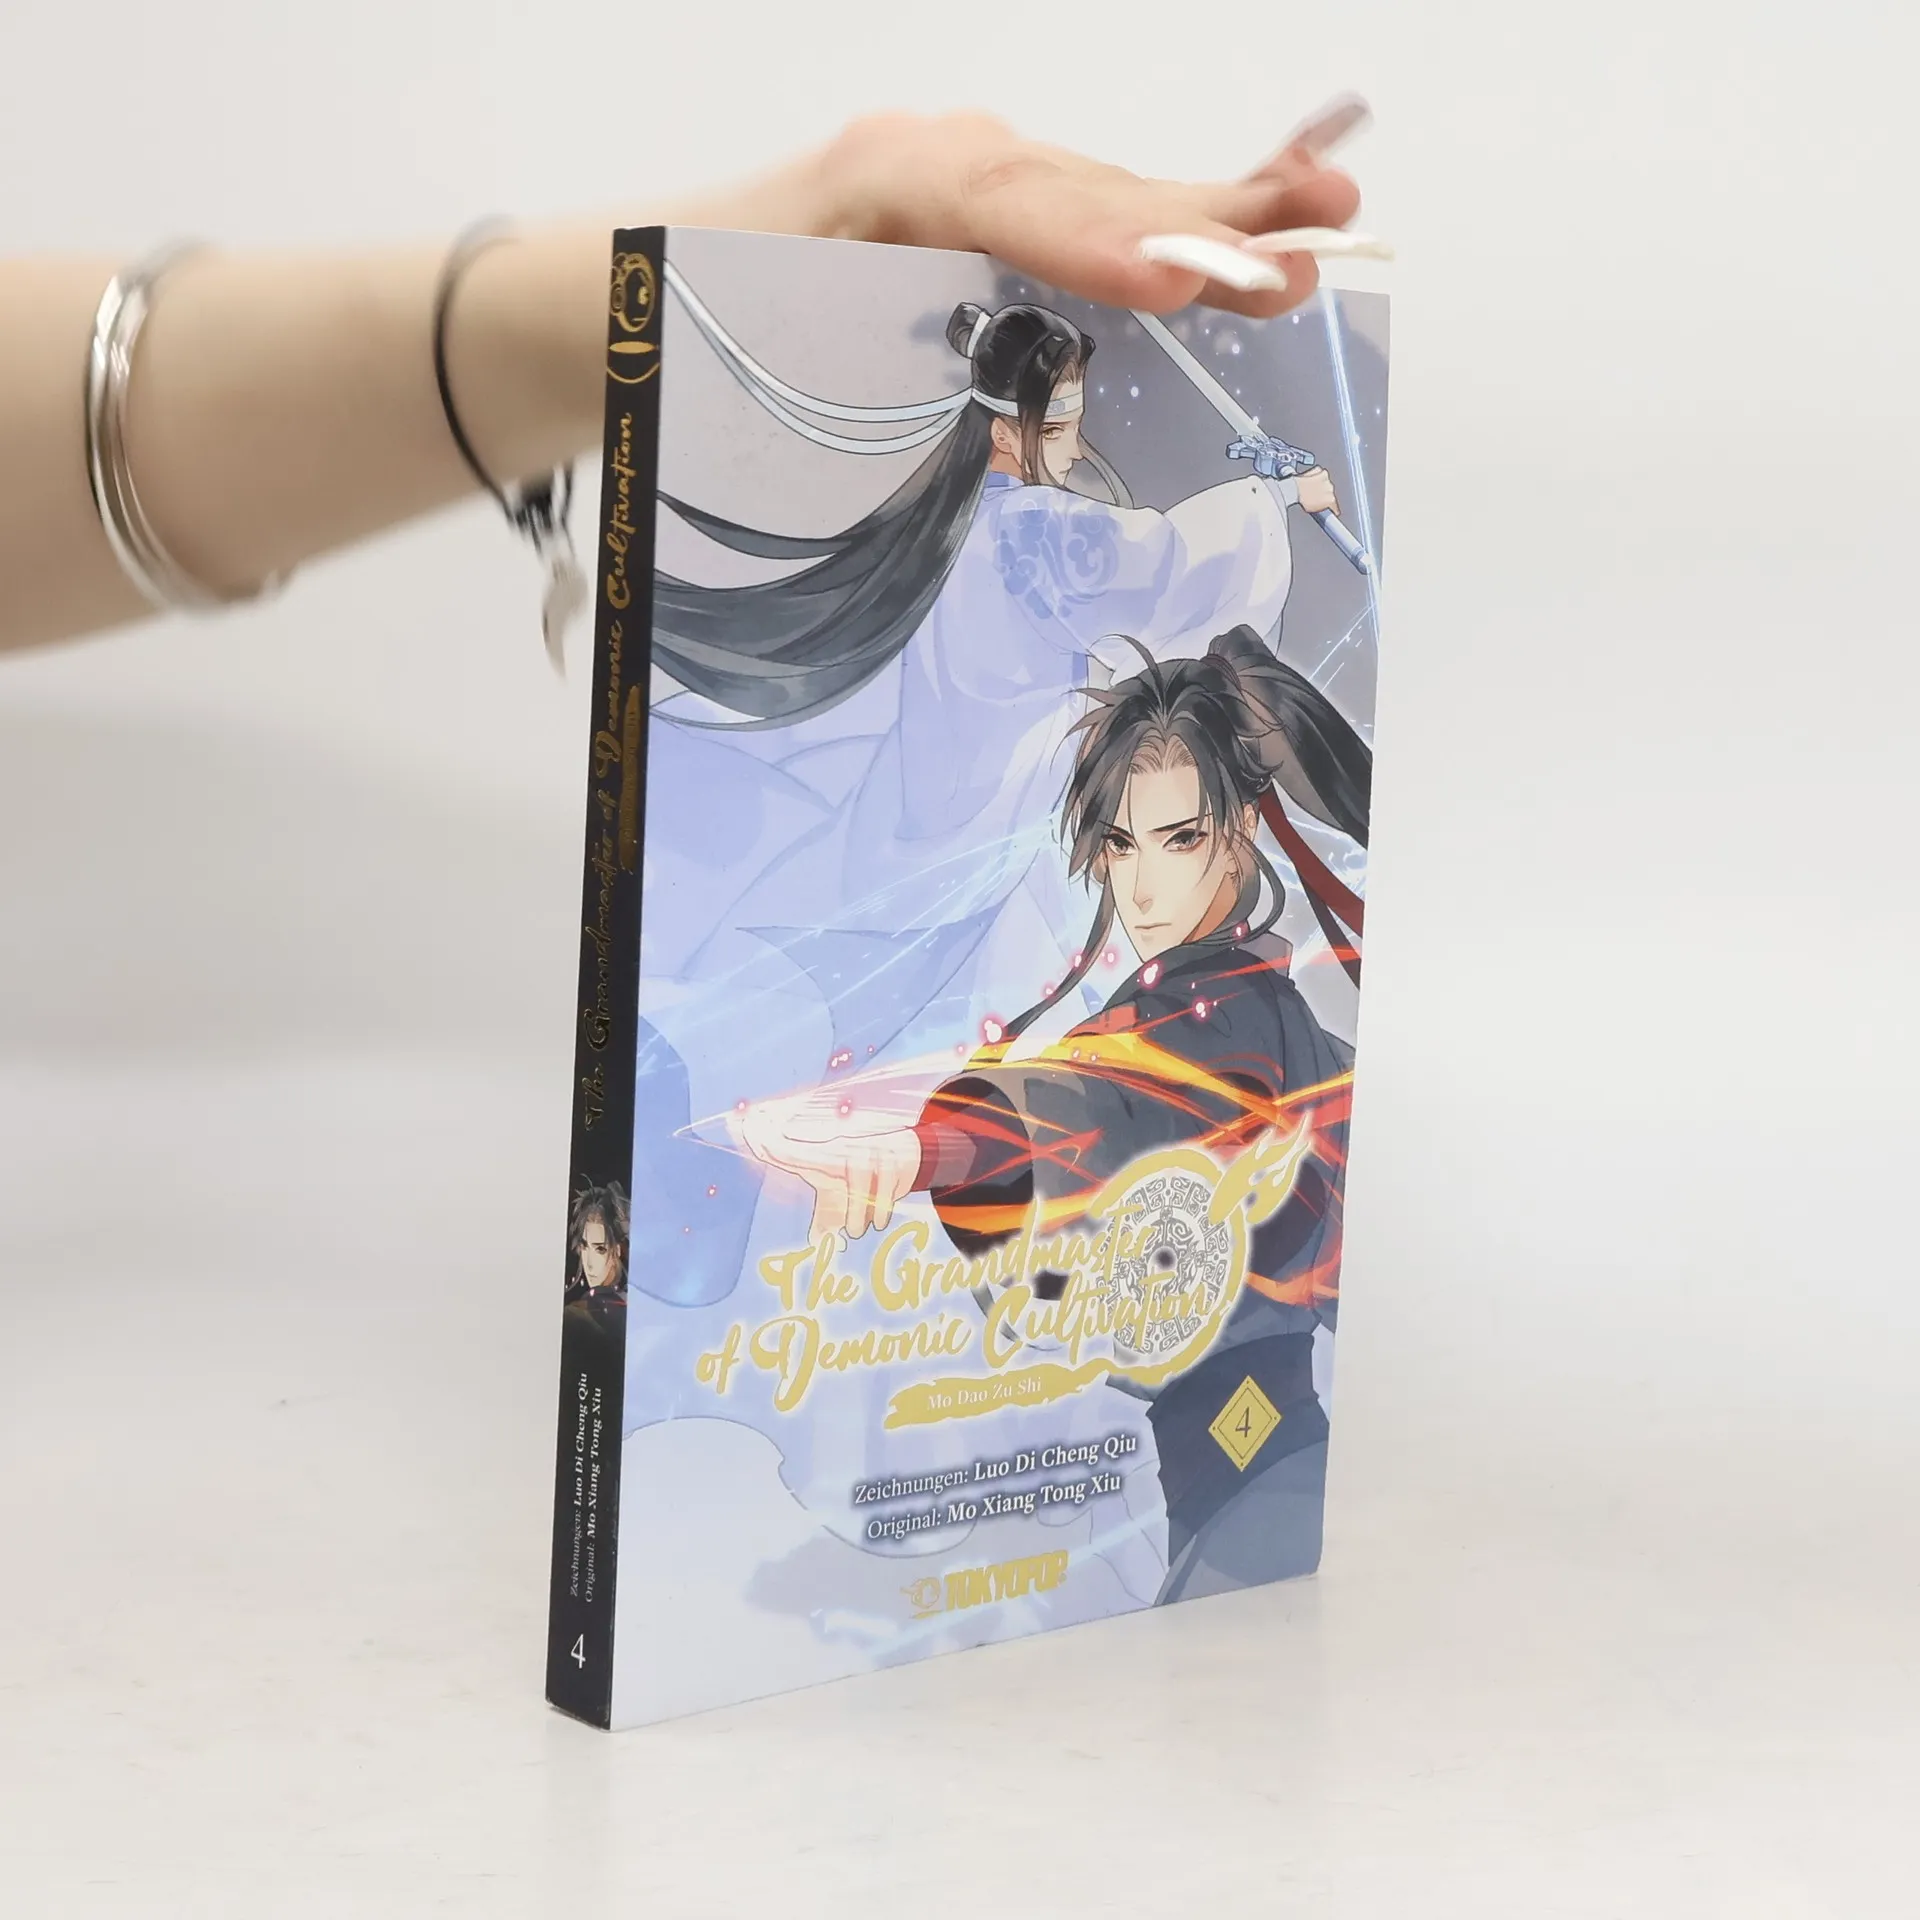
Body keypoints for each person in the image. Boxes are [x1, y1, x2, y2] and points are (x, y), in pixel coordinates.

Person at [0, 103, 1368, 656]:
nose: (1068, 432)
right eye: (1056, 411)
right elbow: (1155, 571)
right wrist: (1277, 506)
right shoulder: (1020, 535)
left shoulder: (1008, 510)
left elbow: (95, 421)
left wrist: (703, 288)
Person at [737, 626, 1370, 1601]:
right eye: (1120, 843)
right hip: (1253, 1484)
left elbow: (1111, 1106)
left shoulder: (1224, 1025)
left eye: (1180, 838)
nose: (1142, 887)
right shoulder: (1258, 1017)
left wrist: (927, 1153)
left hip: (1258, 1498)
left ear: (1241, 832)